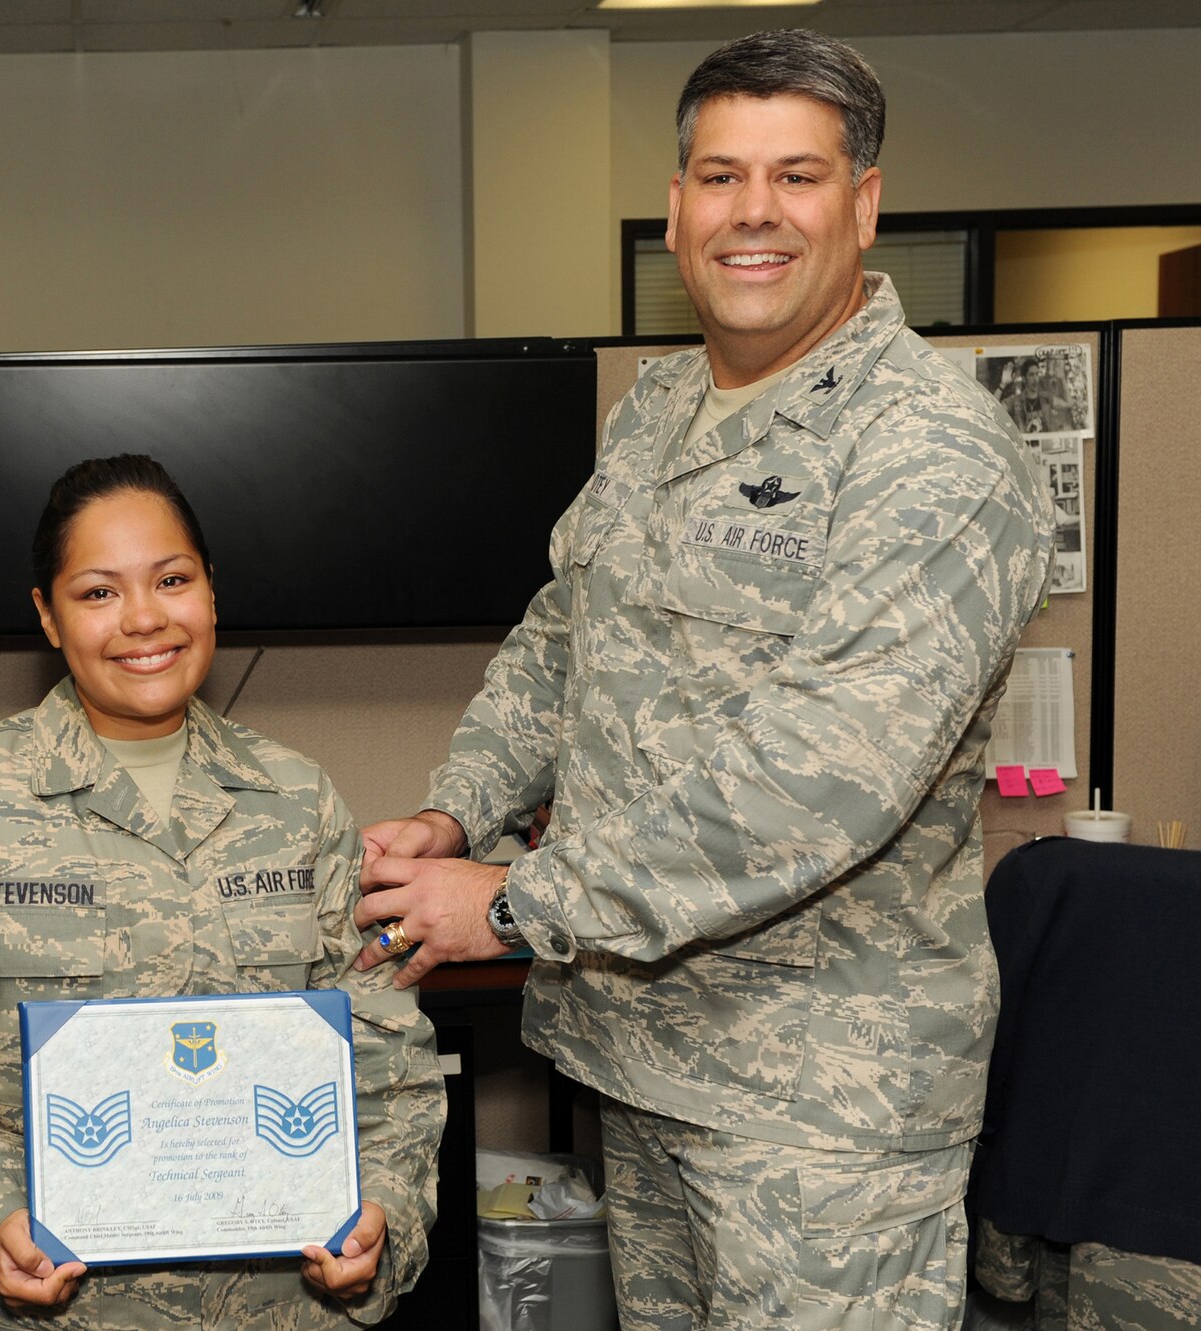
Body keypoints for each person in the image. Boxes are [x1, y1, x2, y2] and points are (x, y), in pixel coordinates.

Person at [352, 30, 1053, 1330]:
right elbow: (567, 632)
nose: (755, 212)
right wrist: (462, 807)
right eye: (722, 175)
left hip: (821, 1118)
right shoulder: (660, 411)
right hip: (643, 1059)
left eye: (798, 174)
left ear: (864, 202)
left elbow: (814, 784)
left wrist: (507, 902)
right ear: (676, 208)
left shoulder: (933, 453)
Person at [0, 454, 445, 1329]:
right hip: (33, 1309)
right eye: (99, 592)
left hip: (273, 1306)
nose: (145, 618)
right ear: (47, 615)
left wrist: (385, 1207)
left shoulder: (298, 800)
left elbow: (385, 1039)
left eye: (172, 579)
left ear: (212, 592)